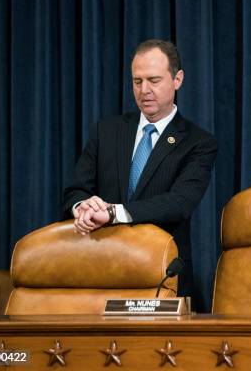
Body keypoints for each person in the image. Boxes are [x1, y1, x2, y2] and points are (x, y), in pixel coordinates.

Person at [63, 39, 218, 298]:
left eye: (154, 81)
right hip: (100, 271)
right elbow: (75, 191)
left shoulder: (198, 142)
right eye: (137, 81)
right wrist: (84, 208)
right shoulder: (107, 131)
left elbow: (180, 202)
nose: (144, 90)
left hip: (161, 276)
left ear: (177, 79)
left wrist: (114, 213)